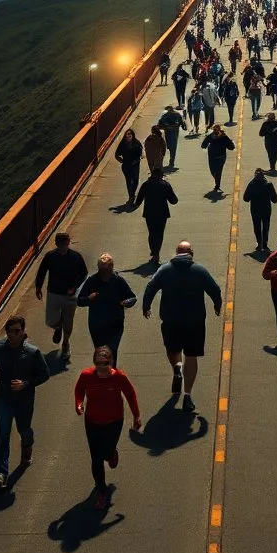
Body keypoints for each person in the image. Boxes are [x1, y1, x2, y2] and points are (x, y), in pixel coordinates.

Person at [142, 241, 222, 413]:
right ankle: (187, 395)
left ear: (176, 252)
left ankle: (177, 367)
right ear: (191, 253)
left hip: (171, 320)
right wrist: (217, 305)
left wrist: (146, 306)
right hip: (195, 322)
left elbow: (151, 286)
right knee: (191, 356)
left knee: (173, 350)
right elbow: (214, 289)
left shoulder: (165, 270)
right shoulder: (199, 271)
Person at [0, 314, 50, 488]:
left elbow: (44, 374)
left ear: (23, 332)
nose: (13, 335)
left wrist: (26, 384)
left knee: (24, 429)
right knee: (3, 434)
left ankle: (27, 446)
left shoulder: (32, 352)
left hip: (24, 401)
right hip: (3, 398)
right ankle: (1, 473)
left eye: (17, 331)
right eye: (10, 331)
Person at [75, 345, 141, 510]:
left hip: (114, 421)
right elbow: (79, 390)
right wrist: (79, 404)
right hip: (92, 422)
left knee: (106, 452)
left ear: (111, 362)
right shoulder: (86, 376)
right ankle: (102, 491)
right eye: (98, 363)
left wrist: (136, 416)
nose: (101, 367)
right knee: (96, 459)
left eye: (105, 363)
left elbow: (130, 395)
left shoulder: (119, 378)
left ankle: (112, 454)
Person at [35, 232, 88, 360]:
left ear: (68, 243)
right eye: (60, 245)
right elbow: (42, 271)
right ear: (56, 244)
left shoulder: (76, 257)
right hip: (54, 292)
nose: (63, 247)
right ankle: (58, 326)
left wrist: (74, 287)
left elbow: (83, 273)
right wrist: (38, 287)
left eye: (65, 244)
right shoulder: (50, 256)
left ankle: (65, 343)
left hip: (70, 296)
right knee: (50, 320)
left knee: (68, 322)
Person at [77, 253, 137, 366]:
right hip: (97, 324)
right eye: (102, 269)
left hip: (115, 323)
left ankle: (112, 375)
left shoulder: (118, 281)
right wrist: (89, 299)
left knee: (112, 351)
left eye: (107, 269)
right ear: (99, 268)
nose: (104, 272)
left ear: (112, 267)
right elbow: (79, 301)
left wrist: (127, 302)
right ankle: (101, 375)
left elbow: (132, 297)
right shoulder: (92, 280)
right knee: (100, 352)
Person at [132, 166, 178, 265]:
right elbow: (174, 201)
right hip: (162, 213)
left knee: (152, 233)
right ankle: (157, 253)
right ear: (161, 176)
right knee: (159, 234)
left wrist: (133, 206)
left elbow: (139, 200)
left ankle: (153, 251)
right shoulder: (165, 185)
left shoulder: (146, 185)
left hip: (149, 213)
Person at [243, 167, 277, 251]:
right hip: (266, 209)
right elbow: (275, 200)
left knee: (257, 226)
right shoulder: (269, 184)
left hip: (255, 209)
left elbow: (246, 198)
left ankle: (259, 243)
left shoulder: (251, 184)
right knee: (266, 226)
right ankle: (265, 244)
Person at [201, 123, 235, 193]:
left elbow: (231, 147)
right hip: (212, 157)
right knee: (212, 171)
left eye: (217, 129)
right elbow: (203, 145)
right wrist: (204, 145)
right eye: (214, 129)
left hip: (221, 157)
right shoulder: (210, 136)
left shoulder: (224, 137)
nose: (215, 130)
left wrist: (231, 143)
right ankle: (217, 180)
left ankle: (217, 186)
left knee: (218, 171)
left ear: (220, 129)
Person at [114, 128, 143, 206]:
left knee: (136, 180)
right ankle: (131, 196)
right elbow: (116, 155)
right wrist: (121, 160)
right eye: (127, 134)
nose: (129, 135)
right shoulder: (122, 144)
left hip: (135, 165)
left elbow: (140, 153)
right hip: (126, 165)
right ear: (125, 136)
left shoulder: (137, 143)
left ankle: (132, 195)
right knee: (129, 181)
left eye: (130, 134)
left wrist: (138, 160)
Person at [158, 104, 186, 169]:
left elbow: (159, 125)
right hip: (174, 134)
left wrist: (165, 127)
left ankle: (168, 161)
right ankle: (171, 161)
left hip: (168, 133)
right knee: (172, 148)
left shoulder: (165, 116)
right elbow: (183, 125)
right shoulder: (177, 115)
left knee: (169, 147)